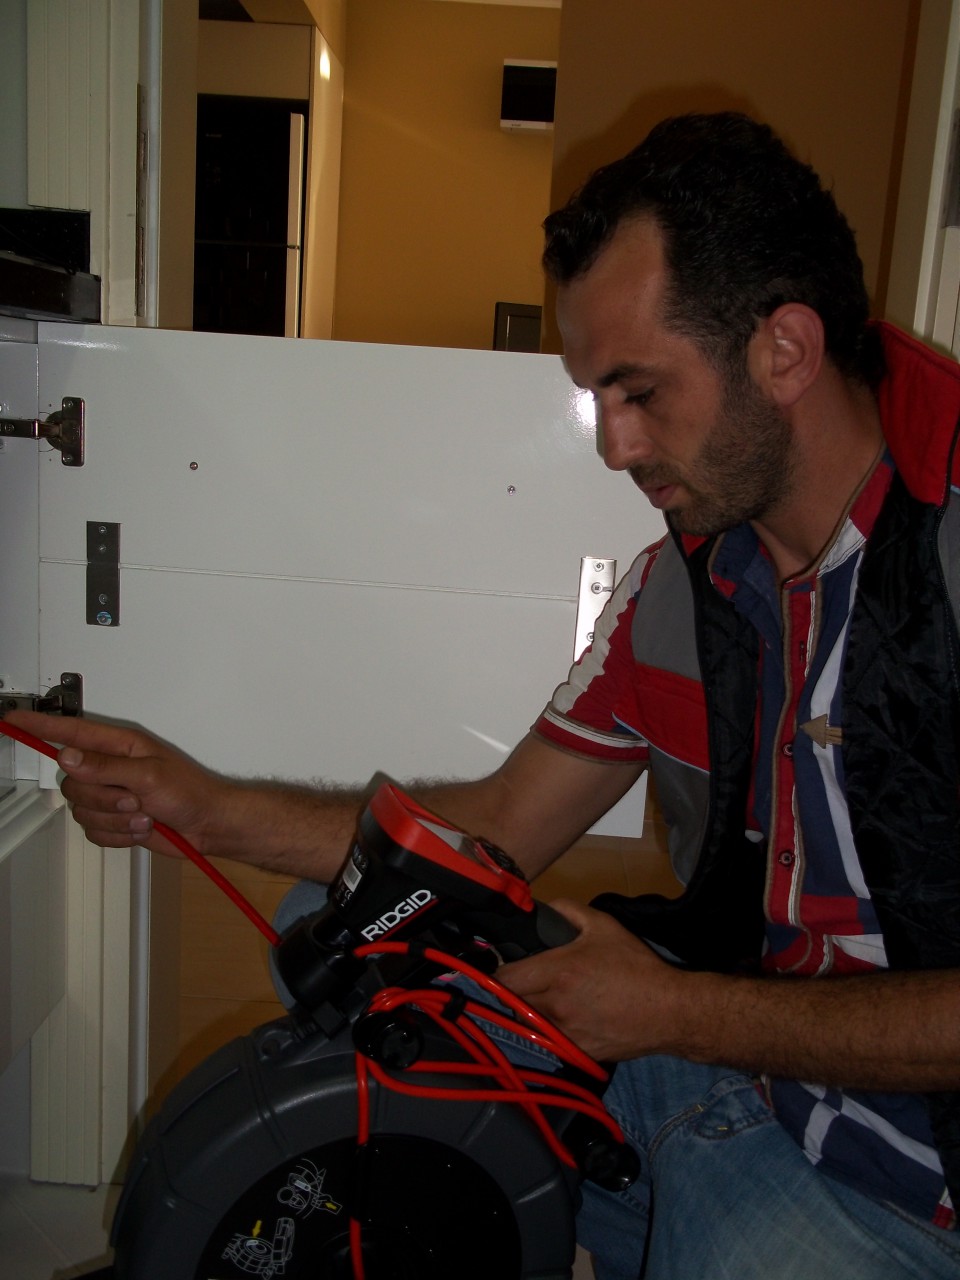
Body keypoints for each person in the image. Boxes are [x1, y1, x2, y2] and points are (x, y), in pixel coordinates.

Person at [8, 112, 960, 1279]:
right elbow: (499, 827)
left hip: (907, 1183)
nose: (614, 446)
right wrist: (198, 805)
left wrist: (680, 1013)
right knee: (360, 928)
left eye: (639, 391)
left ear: (786, 349)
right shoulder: (688, 587)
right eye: (598, 397)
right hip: (724, 1064)